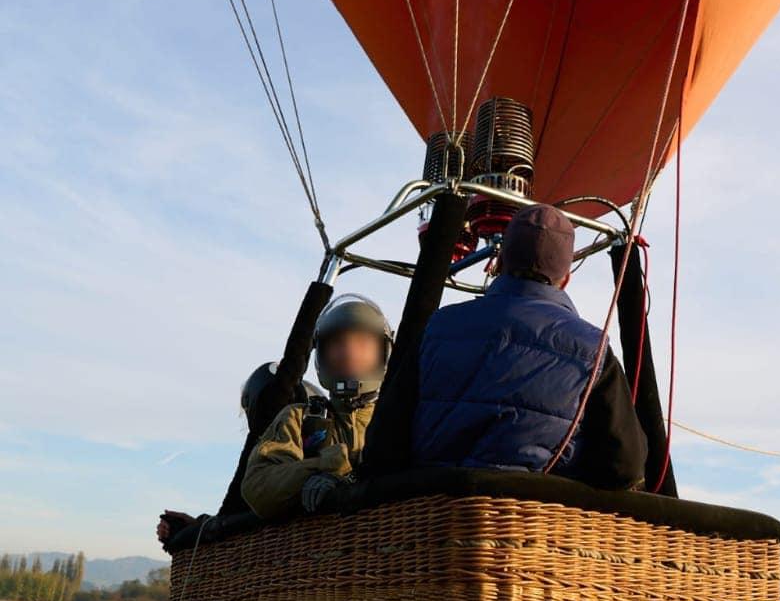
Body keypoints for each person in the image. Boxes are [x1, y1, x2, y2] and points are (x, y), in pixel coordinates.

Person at [365, 204, 647, 490]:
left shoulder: (437, 329)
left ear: (499, 263)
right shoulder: (593, 349)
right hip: (540, 526)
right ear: (566, 278)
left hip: (433, 521)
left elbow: (382, 450)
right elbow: (625, 467)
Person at [156, 276, 332, 545]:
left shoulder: (276, 443)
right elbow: (232, 515)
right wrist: (193, 526)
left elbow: (293, 363)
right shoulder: (267, 451)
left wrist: (321, 290)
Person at [241, 295, 393, 520]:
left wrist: (340, 472)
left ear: (384, 352)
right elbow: (258, 486)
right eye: (338, 343)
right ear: (321, 354)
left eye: (362, 343)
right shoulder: (299, 418)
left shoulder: (399, 416)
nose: (349, 352)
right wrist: (320, 468)